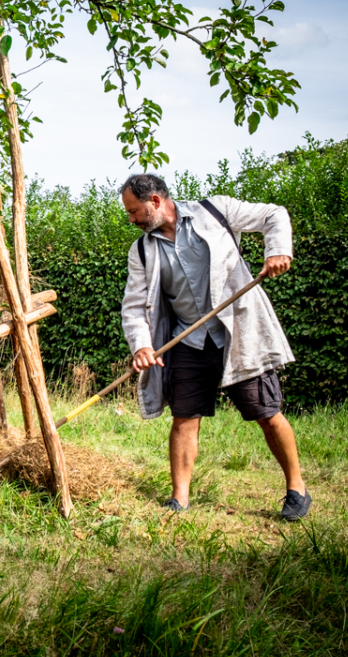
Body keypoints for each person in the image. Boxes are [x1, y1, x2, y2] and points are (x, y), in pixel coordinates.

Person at [118, 173, 311, 520]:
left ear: (156, 201)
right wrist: (141, 346)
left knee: (266, 413)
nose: (132, 220)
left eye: (134, 212)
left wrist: (278, 249)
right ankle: (179, 500)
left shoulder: (215, 210)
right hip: (188, 339)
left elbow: (274, 214)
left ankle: (297, 488)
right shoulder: (142, 251)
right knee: (184, 418)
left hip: (237, 334)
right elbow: (134, 306)